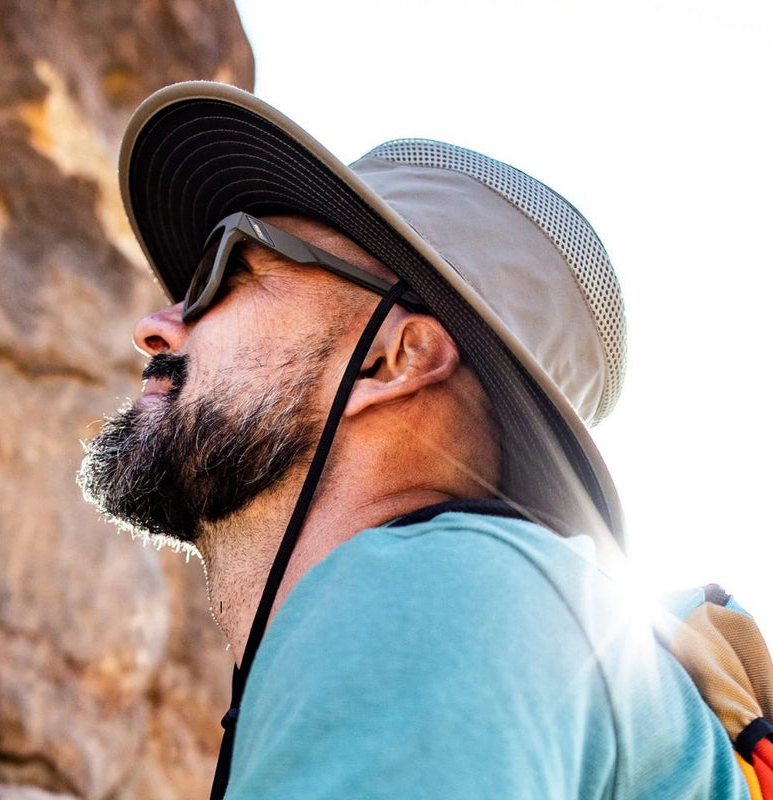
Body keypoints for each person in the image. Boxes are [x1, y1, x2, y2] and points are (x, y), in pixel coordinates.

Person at [78, 82, 750, 799]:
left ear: (390, 359)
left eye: (232, 270)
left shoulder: (428, 591)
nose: (158, 324)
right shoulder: (509, 623)